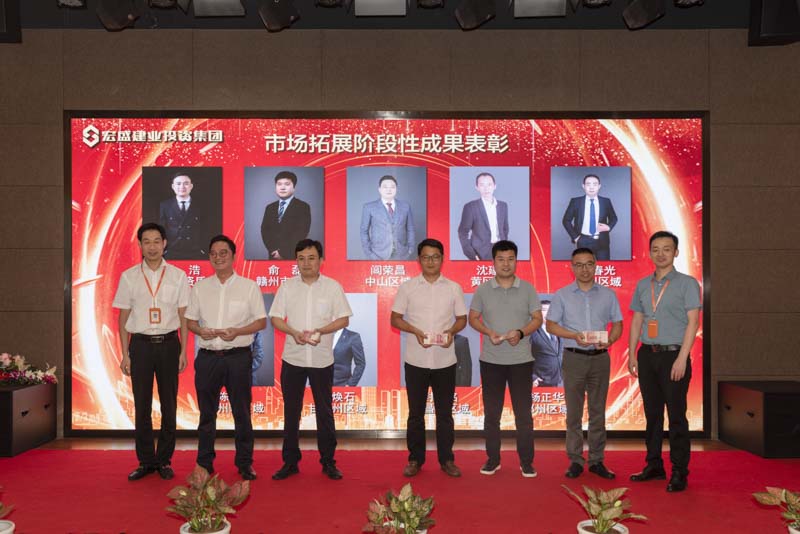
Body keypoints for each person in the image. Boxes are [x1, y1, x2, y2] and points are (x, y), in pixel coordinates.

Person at [185, 235, 267, 481]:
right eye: (214, 254)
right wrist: (201, 330)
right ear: (209, 257)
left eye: (224, 253)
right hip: (208, 358)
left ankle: (245, 463)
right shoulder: (200, 287)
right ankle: (204, 462)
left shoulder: (249, 287)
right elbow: (190, 322)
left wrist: (237, 332)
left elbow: (261, 322)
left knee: (241, 413)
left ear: (233, 256)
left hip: (238, 358)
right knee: (206, 414)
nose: (218, 257)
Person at [270, 239, 352, 481]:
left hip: (321, 359)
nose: (306, 263)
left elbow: (343, 319)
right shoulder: (287, 287)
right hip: (293, 358)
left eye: (311, 258)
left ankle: (328, 462)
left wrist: (321, 330)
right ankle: (290, 462)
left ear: (321, 260)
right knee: (291, 412)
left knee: (324, 412)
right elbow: (275, 318)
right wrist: (293, 332)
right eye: (301, 258)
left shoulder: (332, 287)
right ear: (296, 261)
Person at [113, 222, 190, 481]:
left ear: (165, 243)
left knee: (169, 404)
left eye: (157, 241)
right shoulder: (129, 276)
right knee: (142, 404)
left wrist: (183, 351)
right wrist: (125, 354)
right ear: (140, 245)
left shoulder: (178, 276)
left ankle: (164, 460)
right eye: (147, 242)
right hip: (141, 346)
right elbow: (123, 319)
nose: (152, 247)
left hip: (169, 345)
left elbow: (184, 316)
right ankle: (146, 461)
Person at [628, 231, 701, 493]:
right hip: (647, 355)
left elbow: (693, 322)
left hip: (673, 356)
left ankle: (680, 471)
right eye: (656, 249)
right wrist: (632, 353)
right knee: (653, 414)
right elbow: (637, 320)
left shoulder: (687, 284)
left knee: (677, 415)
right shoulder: (642, 285)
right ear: (650, 253)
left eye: (666, 249)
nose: (661, 254)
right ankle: (654, 465)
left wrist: (682, 357)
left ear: (676, 252)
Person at [391, 238, 467, 478]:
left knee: (445, 414)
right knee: (416, 414)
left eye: (435, 257)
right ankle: (415, 459)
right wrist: (414, 330)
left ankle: (447, 460)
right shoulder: (408, 288)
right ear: (419, 260)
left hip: (445, 360)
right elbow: (395, 319)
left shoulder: (453, 287)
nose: (431, 261)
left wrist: (451, 332)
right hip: (416, 360)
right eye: (426, 257)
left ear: (442, 259)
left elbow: (462, 319)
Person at [545, 248, 623, 480]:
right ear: (572, 267)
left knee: (598, 412)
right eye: (579, 265)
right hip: (574, 358)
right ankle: (576, 460)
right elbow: (551, 325)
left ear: (596, 265)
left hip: (600, 358)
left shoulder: (608, 294)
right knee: (574, 413)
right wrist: (573, 335)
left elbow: (618, 324)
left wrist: (611, 339)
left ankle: (597, 460)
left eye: (589, 264)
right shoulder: (562, 295)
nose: (584, 269)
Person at [469, 240, 542, 478]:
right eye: (501, 259)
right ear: (493, 262)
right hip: (491, 361)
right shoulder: (483, 290)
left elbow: (537, 319)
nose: (506, 264)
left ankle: (527, 462)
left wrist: (520, 332)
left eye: (510, 259)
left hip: (521, 360)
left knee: (524, 415)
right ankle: (493, 459)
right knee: (492, 415)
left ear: (516, 261)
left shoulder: (528, 289)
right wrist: (488, 332)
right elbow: (473, 318)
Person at [561, 174, 618, 261]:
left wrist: (609, 227)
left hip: (602, 241)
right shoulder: (576, 201)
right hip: (583, 241)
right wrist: (576, 237)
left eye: (595, 184)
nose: (591, 187)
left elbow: (614, 218)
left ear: (599, 186)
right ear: (583, 186)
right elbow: (566, 220)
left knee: (603, 267)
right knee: (584, 267)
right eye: (588, 184)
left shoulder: (606, 201)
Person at [359, 175, 415, 260]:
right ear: (379, 189)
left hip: (401, 254)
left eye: (392, 187)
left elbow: (410, 229)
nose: (389, 190)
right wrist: (369, 253)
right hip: (378, 255)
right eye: (385, 187)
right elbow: (364, 231)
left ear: (396, 189)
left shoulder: (405, 206)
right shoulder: (369, 207)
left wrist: (410, 249)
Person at [260, 170, 312, 260]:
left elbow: (302, 232)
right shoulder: (270, 207)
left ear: (294, 187)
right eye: (279, 184)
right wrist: (273, 250)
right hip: (273, 255)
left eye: (287, 184)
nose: (282, 187)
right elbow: (265, 230)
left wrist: (282, 252)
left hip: (291, 254)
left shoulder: (303, 206)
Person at [457, 172, 509, 260]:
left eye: (489, 184)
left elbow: (505, 229)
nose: (486, 188)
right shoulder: (470, 207)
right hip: (480, 253)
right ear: (477, 187)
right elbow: (462, 232)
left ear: (495, 186)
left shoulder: (503, 205)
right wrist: (471, 254)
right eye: (482, 185)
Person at [159, 172, 208, 259]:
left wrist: (203, 249)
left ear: (191, 186)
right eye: (178, 184)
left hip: (195, 252)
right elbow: (161, 230)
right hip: (171, 252)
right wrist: (164, 250)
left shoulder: (201, 205)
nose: (182, 187)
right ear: (173, 186)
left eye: (186, 183)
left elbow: (207, 229)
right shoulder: (165, 205)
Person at [530, 299, 564, 388]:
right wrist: (533, 377)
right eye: (544, 310)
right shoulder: (531, 332)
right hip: (541, 382)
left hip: (559, 381)